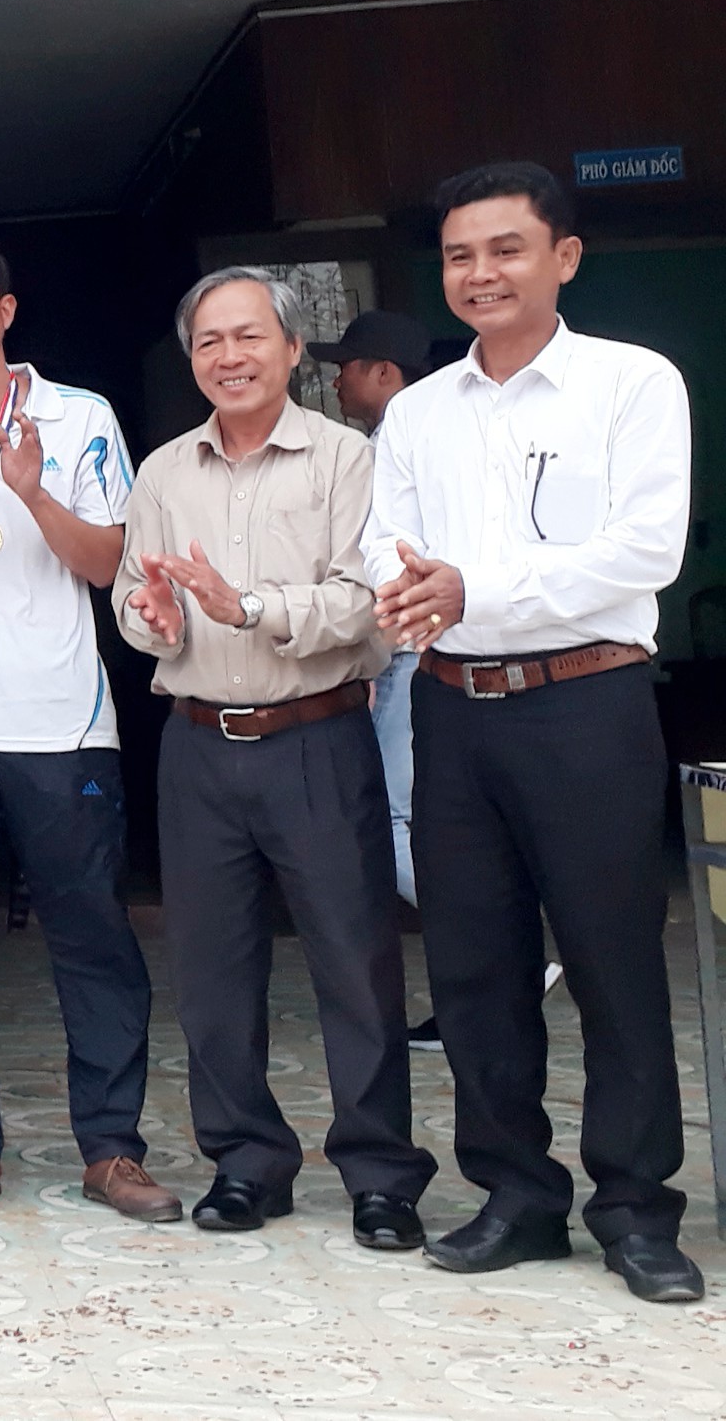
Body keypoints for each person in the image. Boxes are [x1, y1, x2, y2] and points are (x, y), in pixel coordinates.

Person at [365, 162, 703, 1304]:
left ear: (565, 256)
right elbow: (382, 544)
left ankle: (638, 1211)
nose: (481, 274)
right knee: (474, 968)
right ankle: (516, 1195)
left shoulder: (631, 383)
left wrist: (475, 591)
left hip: (586, 703)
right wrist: (411, 593)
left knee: (613, 960)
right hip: (452, 707)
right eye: (460, 255)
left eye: (505, 249)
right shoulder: (418, 410)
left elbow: (644, 551)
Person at [118, 271, 433, 1247]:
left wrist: (247, 607)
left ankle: (381, 1174)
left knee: (355, 962)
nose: (230, 357)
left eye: (249, 336)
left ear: (295, 350)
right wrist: (155, 618)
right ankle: (246, 1162)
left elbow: (367, 602)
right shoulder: (163, 472)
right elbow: (132, 597)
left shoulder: (349, 460)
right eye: (209, 341)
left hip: (317, 737)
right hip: (197, 746)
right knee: (211, 971)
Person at [0, 240, 170, 1224]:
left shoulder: (80, 415)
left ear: (7, 308)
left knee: (92, 938)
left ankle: (113, 1150)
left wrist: (32, 489)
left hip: (64, 723)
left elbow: (107, 564)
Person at [305, 310, 436, 1026]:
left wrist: (370, 664)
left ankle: (493, 941)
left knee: (392, 816)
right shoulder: (423, 439)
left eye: (347, 367)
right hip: (423, 654)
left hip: (407, 654)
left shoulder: (389, 453)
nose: (337, 381)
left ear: (384, 371)